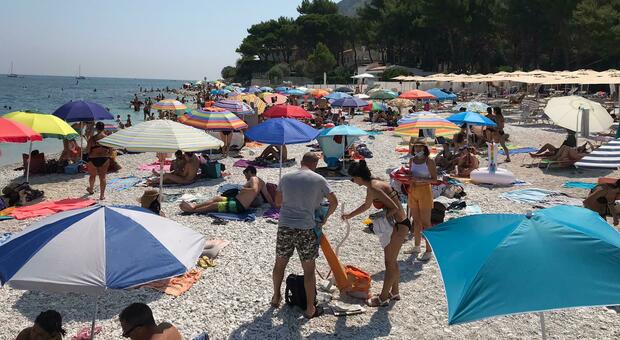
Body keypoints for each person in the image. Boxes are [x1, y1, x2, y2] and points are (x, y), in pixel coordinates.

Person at [271, 152, 338, 319]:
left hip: (285, 225)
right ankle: (309, 308)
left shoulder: (286, 178)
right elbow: (334, 202)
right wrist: (324, 218)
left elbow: (278, 202)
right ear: (315, 164)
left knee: (280, 264)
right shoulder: (319, 179)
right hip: (306, 228)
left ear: (301, 161)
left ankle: (276, 297)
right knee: (308, 270)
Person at [343, 161, 410, 307]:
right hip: (400, 224)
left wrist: (381, 217)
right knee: (392, 261)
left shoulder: (374, 187)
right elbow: (366, 205)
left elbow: (394, 207)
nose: (353, 182)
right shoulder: (373, 184)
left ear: (359, 177)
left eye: (352, 179)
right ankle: (395, 292)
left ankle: (383, 297)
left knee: (389, 262)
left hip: (399, 226)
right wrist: (350, 215)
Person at [180, 166, 273, 214]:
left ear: (249, 172)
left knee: (215, 205)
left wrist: (242, 188)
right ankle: (195, 206)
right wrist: (274, 205)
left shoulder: (253, 179)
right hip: (236, 201)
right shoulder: (262, 182)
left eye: (246, 175)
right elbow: (268, 196)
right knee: (217, 198)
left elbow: (254, 189)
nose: (246, 178)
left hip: (239, 206)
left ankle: (193, 211)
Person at [404, 137, 437, 261]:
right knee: (416, 221)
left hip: (424, 191)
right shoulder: (412, 160)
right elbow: (410, 175)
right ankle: (417, 246)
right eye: (416, 146)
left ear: (425, 148)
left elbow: (434, 179)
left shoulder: (429, 161)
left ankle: (428, 250)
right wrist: (407, 178)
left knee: (426, 223)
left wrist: (420, 179)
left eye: (420, 147)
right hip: (413, 190)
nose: (418, 149)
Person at [86, 122, 111, 200]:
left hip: (93, 158)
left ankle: (91, 189)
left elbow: (87, 150)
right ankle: (102, 195)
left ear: (96, 128)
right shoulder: (108, 138)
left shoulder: (92, 139)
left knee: (92, 175)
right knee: (102, 177)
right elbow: (111, 151)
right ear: (104, 128)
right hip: (104, 159)